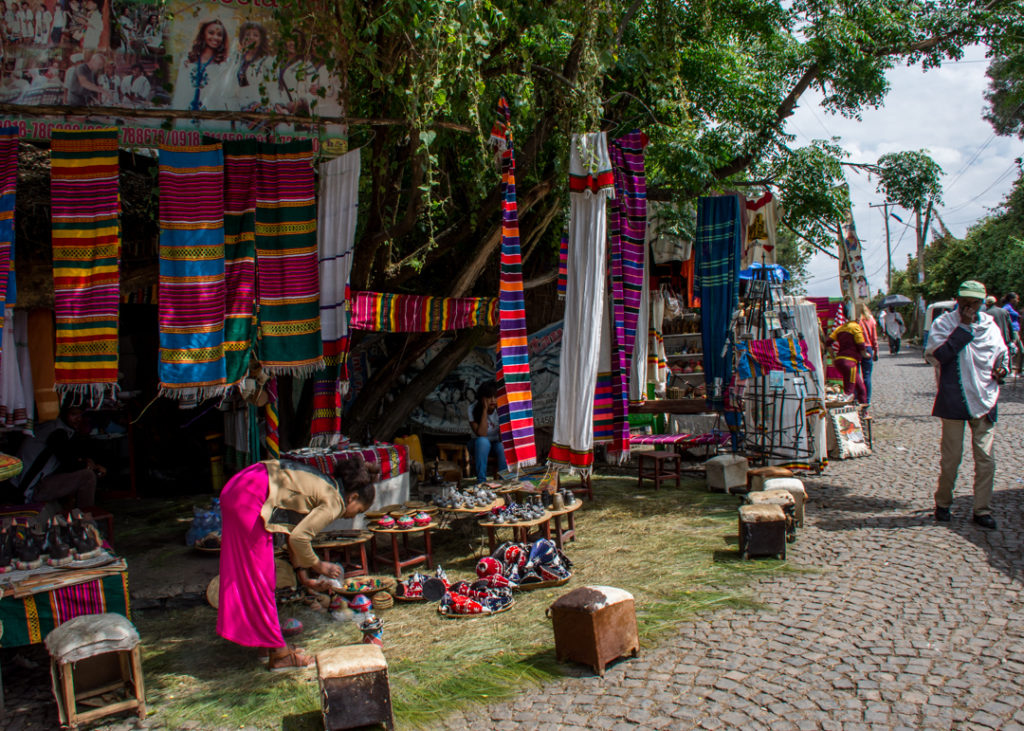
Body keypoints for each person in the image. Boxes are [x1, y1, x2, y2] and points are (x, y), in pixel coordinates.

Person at [217, 455, 378, 670]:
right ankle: (280, 654)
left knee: (260, 575)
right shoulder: (335, 501)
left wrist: (304, 578)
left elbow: (292, 533)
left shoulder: (325, 485)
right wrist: (319, 566)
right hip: (248, 495)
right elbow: (300, 538)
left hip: (243, 486)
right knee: (261, 579)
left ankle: (267, 643)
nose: (351, 517)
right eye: (358, 510)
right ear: (353, 497)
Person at [925, 280, 1008, 530]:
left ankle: (982, 509)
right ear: (957, 301)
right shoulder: (944, 324)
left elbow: (1000, 353)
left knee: (986, 457)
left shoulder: (990, 326)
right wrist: (963, 328)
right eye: (964, 302)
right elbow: (939, 355)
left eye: (974, 302)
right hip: (954, 398)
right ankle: (943, 502)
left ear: (982, 303)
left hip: (985, 396)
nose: (969, 307)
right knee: (951, 457)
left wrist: (1001, 369)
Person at [11, 404, 106, 510]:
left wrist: (85, 462)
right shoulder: (57, 432)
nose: (78, 419)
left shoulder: (57, 427)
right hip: (29, 489)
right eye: (73, 414)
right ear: (64, 414)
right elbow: (69, 464)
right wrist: (89, 466)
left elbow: (68, 457)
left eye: (81, 415)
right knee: (88, 476)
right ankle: (86, 520)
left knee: (81, 473)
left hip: (31, 484)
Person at [170, 18, 230, 112]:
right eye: (211, 33)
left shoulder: (223, 66)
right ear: (203, 34)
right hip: (185, 116)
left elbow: (222, 98)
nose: (215, 37)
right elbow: (179, 93)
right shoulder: (187, 62)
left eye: (219, 35)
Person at [226, 21, 278, 113]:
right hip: (237, 109)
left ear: (261, 40)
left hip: (260, 110)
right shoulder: (237, 60)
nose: (251, 37)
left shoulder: (268, 61)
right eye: (247, 34)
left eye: (255, 35)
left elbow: (273, 89)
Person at [826, 303, 869, 406]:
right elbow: (861, 343)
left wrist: (833, 356)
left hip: (840, 361)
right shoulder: (855, 327)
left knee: (860, 388)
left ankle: (863, 412)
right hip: (850, 362)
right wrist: (865, 354)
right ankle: (847, 415)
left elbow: (828, 342)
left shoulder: (840, 328)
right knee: (849, 391)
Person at [467, 380, 507, 483]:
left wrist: (504, 418)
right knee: (483, 441)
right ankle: (481, 482)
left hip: (494, 445)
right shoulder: (472, 409)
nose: (493, 400)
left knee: (501, 446)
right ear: (482, 398)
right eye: (489, 397)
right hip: (477, 445)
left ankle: (504, 482)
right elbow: (482, 434)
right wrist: (484, 410)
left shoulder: (501, 409)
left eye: (495, 397)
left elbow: (503, 438)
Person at [857, 303, 879, 404]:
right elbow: (874, 337)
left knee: (856, 375)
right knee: (867, 376)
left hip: (857, 348)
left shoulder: (857, 321)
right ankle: (867, 400)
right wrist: (876, 350)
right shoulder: (871, 319)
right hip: (868, 347)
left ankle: (858, 398)